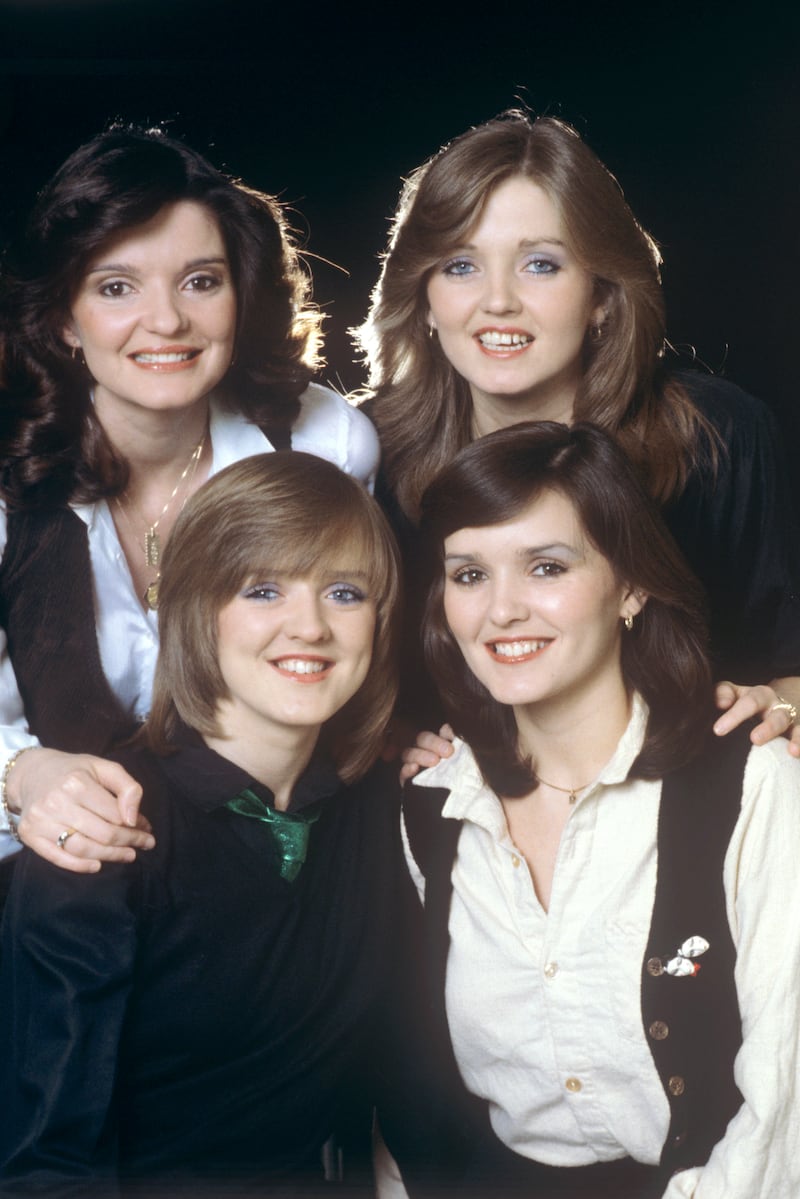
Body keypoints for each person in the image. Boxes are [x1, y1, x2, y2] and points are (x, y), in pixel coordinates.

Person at [381, 422, 800, 1199]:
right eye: (469, 574)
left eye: (546, 566)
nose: (501, 609)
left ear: (632, 586)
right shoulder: (432, 803)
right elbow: (411, 1090)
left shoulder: (752, 782)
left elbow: (788, 1100)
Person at [0, 451, 405, 1194]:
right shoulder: (102, 829)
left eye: (345, 591)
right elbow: (45, 1168)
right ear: (194, 609)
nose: (309, 624)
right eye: (263, 589)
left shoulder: (381, 806)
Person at [355, 110, 800, 759]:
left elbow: (788, 660)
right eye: (459, 266)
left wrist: (782, 701)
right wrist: (379, 742)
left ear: (601, 295)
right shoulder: (366, 452)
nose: (498, 300)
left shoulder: (720, 438)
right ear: (422, 297)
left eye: (540, 264)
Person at [0, 124, 379, 874]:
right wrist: (20, 773)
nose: (167, 320)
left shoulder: (322, 444)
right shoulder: (10, 483)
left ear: (241, 296)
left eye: (201, 281)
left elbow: (360, 641)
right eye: (117, 287)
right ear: (63, 319)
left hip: (267, 862)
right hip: (60, 874)